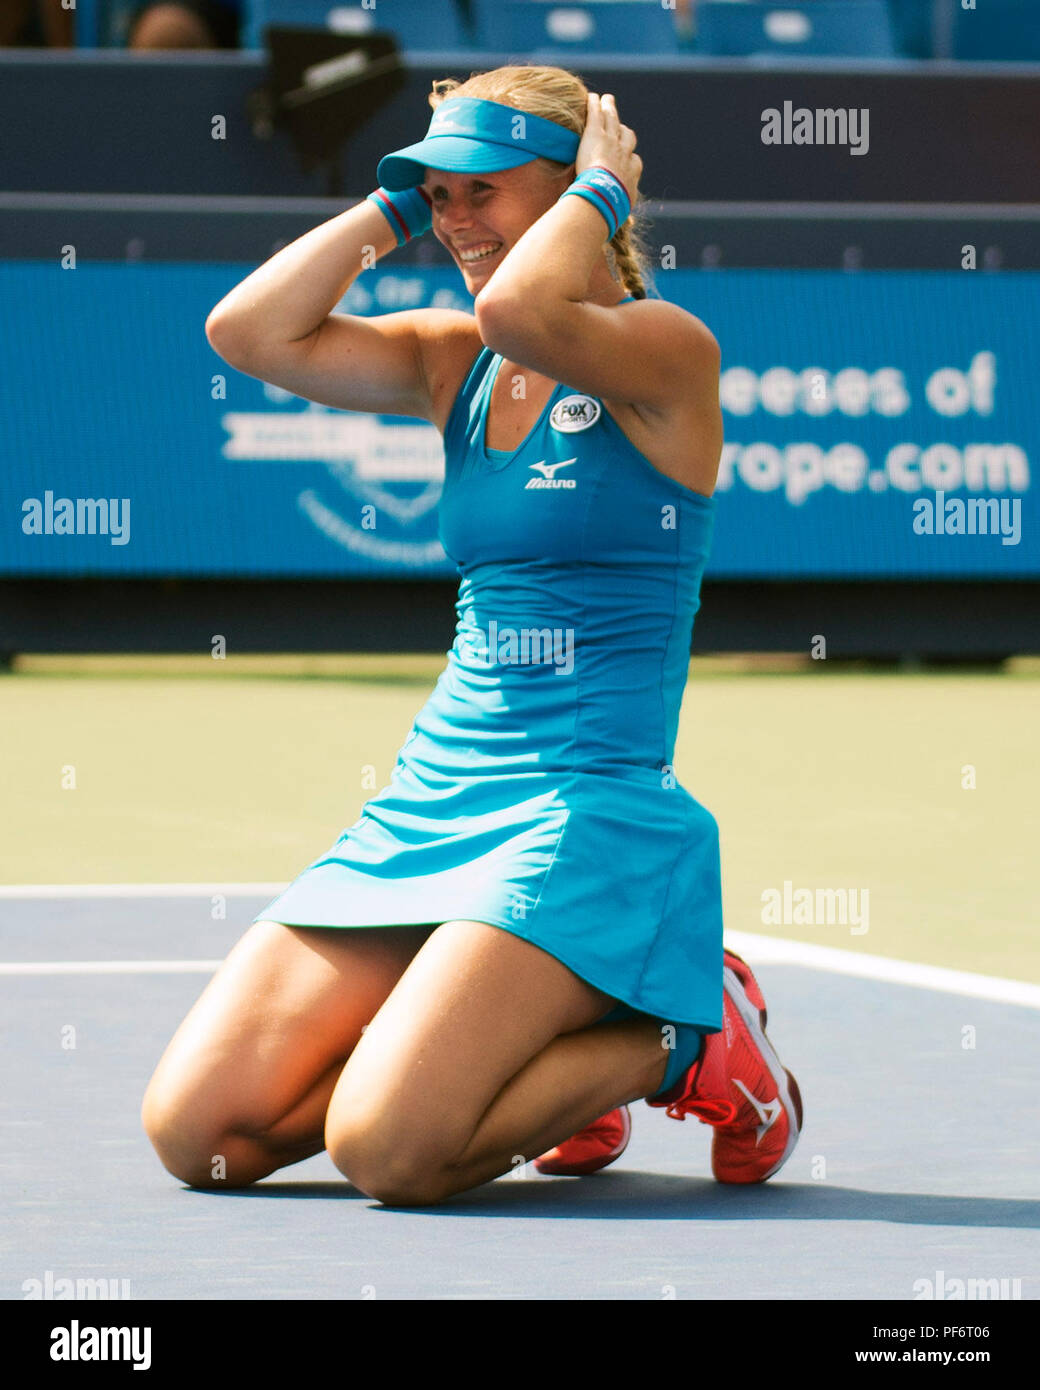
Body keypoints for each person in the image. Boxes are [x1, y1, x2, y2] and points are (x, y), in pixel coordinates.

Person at [142, 63, 802, 1207]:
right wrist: (396, 204)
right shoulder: (458, 362)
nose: (453, 218)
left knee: (389, 1154)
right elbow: (246, 330)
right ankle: (541, 1066)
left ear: (574, 186)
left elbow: (524, 308)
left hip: (581, 812)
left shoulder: (665, 353)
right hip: (433, 796)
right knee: (203, 1132)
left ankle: (691, 1038)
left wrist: (601, 196)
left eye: (480, 189)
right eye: (437, 195)